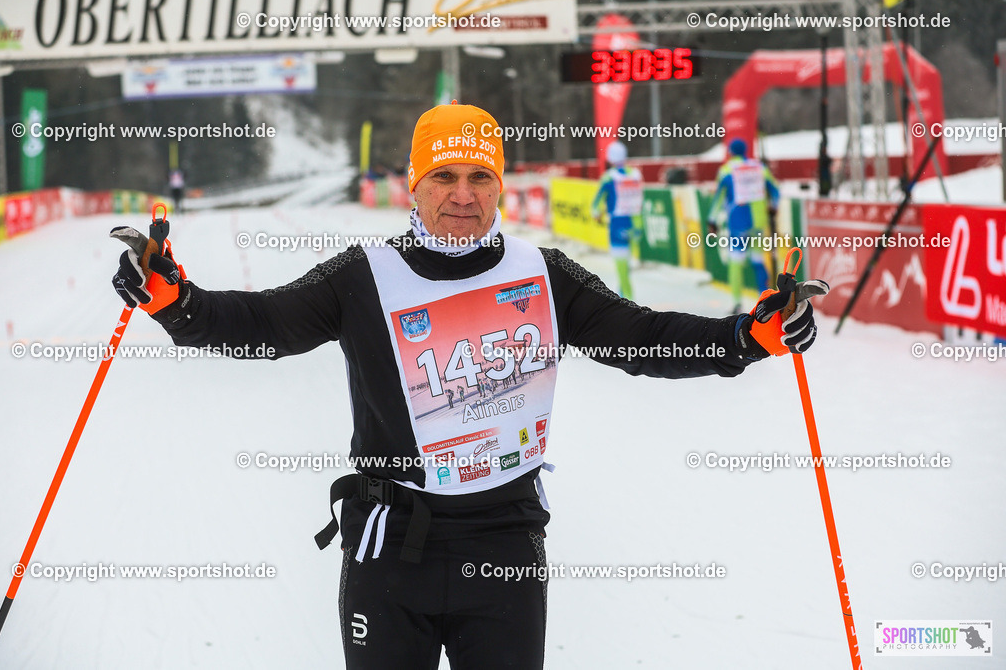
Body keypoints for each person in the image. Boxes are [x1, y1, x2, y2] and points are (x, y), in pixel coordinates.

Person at [110, 102, 828, 670]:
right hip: (391, 556)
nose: (462, 195)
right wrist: (179, 302)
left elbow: (640, 337)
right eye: (443, 178)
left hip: (504, 550)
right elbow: (263, 323)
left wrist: (744, 337)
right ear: (412, 188)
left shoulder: (540, 272)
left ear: (501, 188)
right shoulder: (363, 276)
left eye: (479, 177)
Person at [707, 138, 781, 313]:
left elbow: (718, 197)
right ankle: (765, 301)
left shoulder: (726, 170)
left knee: (736, 263)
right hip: (758, 222)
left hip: (738, 222)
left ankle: (736, 303)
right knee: (757, 261)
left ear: (731, 152)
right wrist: (773, 207)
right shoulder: (759, 167)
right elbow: (775, 190)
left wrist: (712, 220)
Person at [591, 140, 643, 299]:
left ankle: (629, 306)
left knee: (622, 273)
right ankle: (625, 301)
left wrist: (597, 215)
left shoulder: (609, 178)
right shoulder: (636, 175)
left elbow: (595, 205)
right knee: (626, 270)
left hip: (617, 228)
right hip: (636, 228)